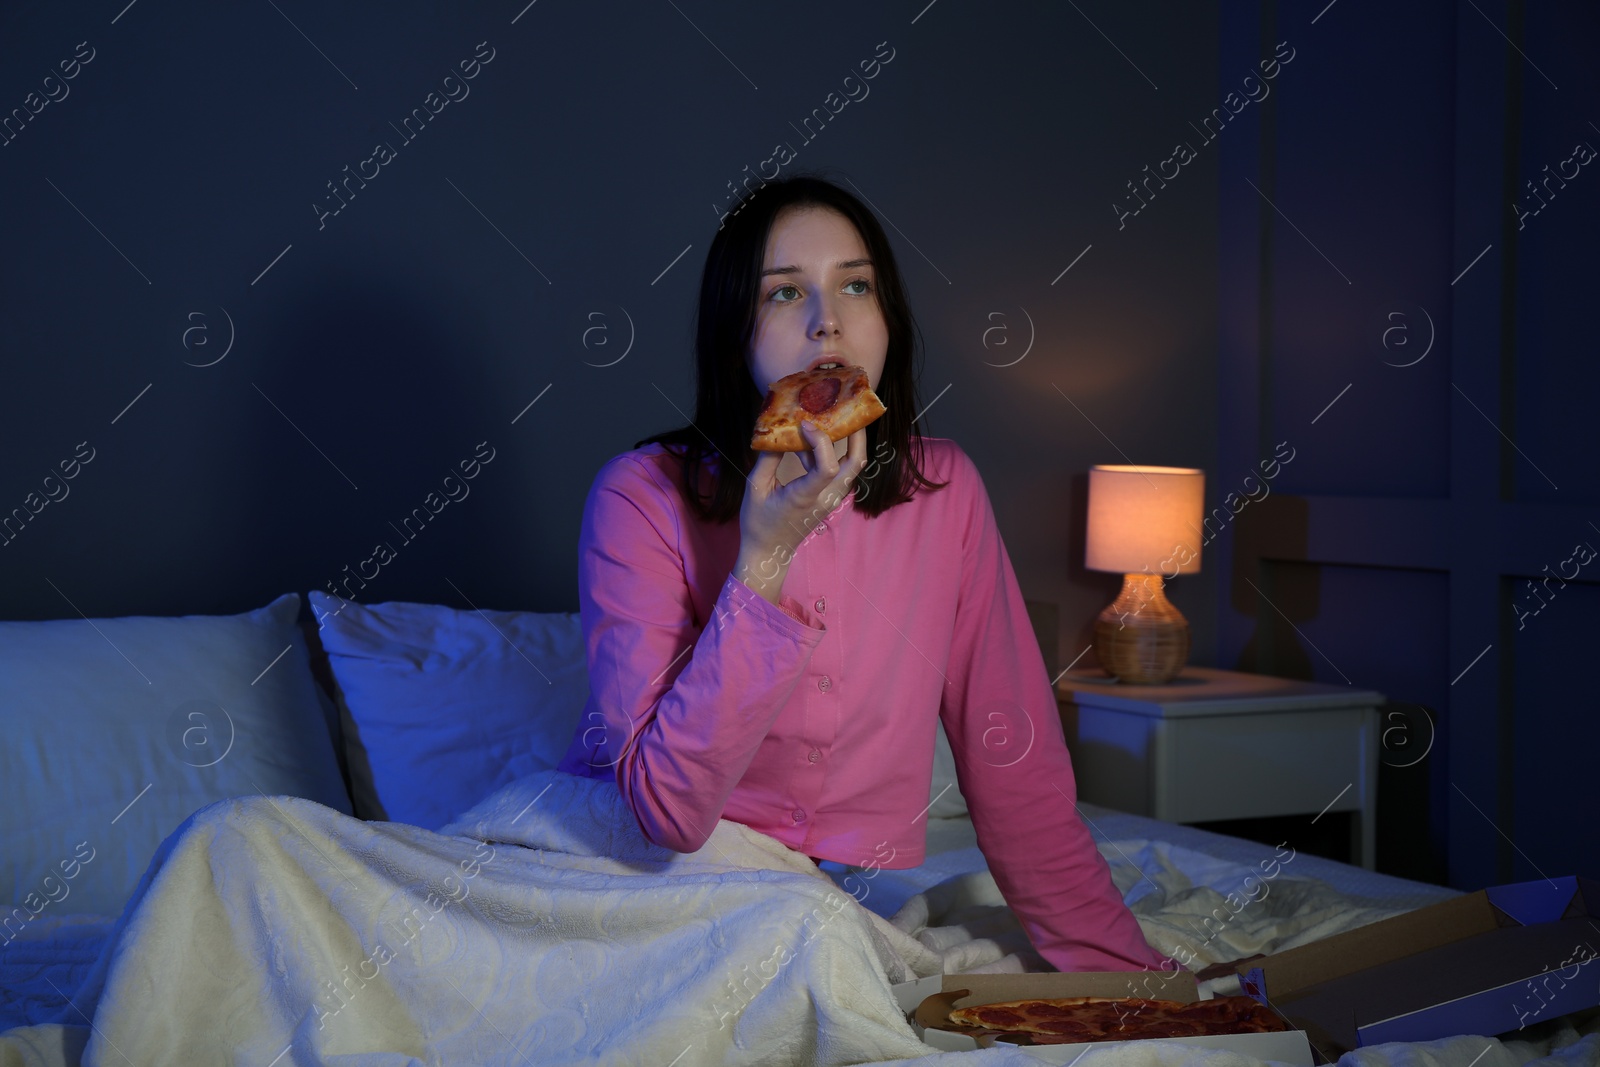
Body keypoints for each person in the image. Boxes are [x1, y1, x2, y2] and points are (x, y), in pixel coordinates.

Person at [555, 173, 1166, 973]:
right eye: (783, 294)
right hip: (623, 879)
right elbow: (667, 814)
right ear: (732, 330)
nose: (827, 321)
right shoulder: (639, 496)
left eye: (856, 284)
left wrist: (1134, 984)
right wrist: (764, 557)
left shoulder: (945, 493)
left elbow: (1014, 766)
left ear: (888, 319)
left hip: (803, 914)